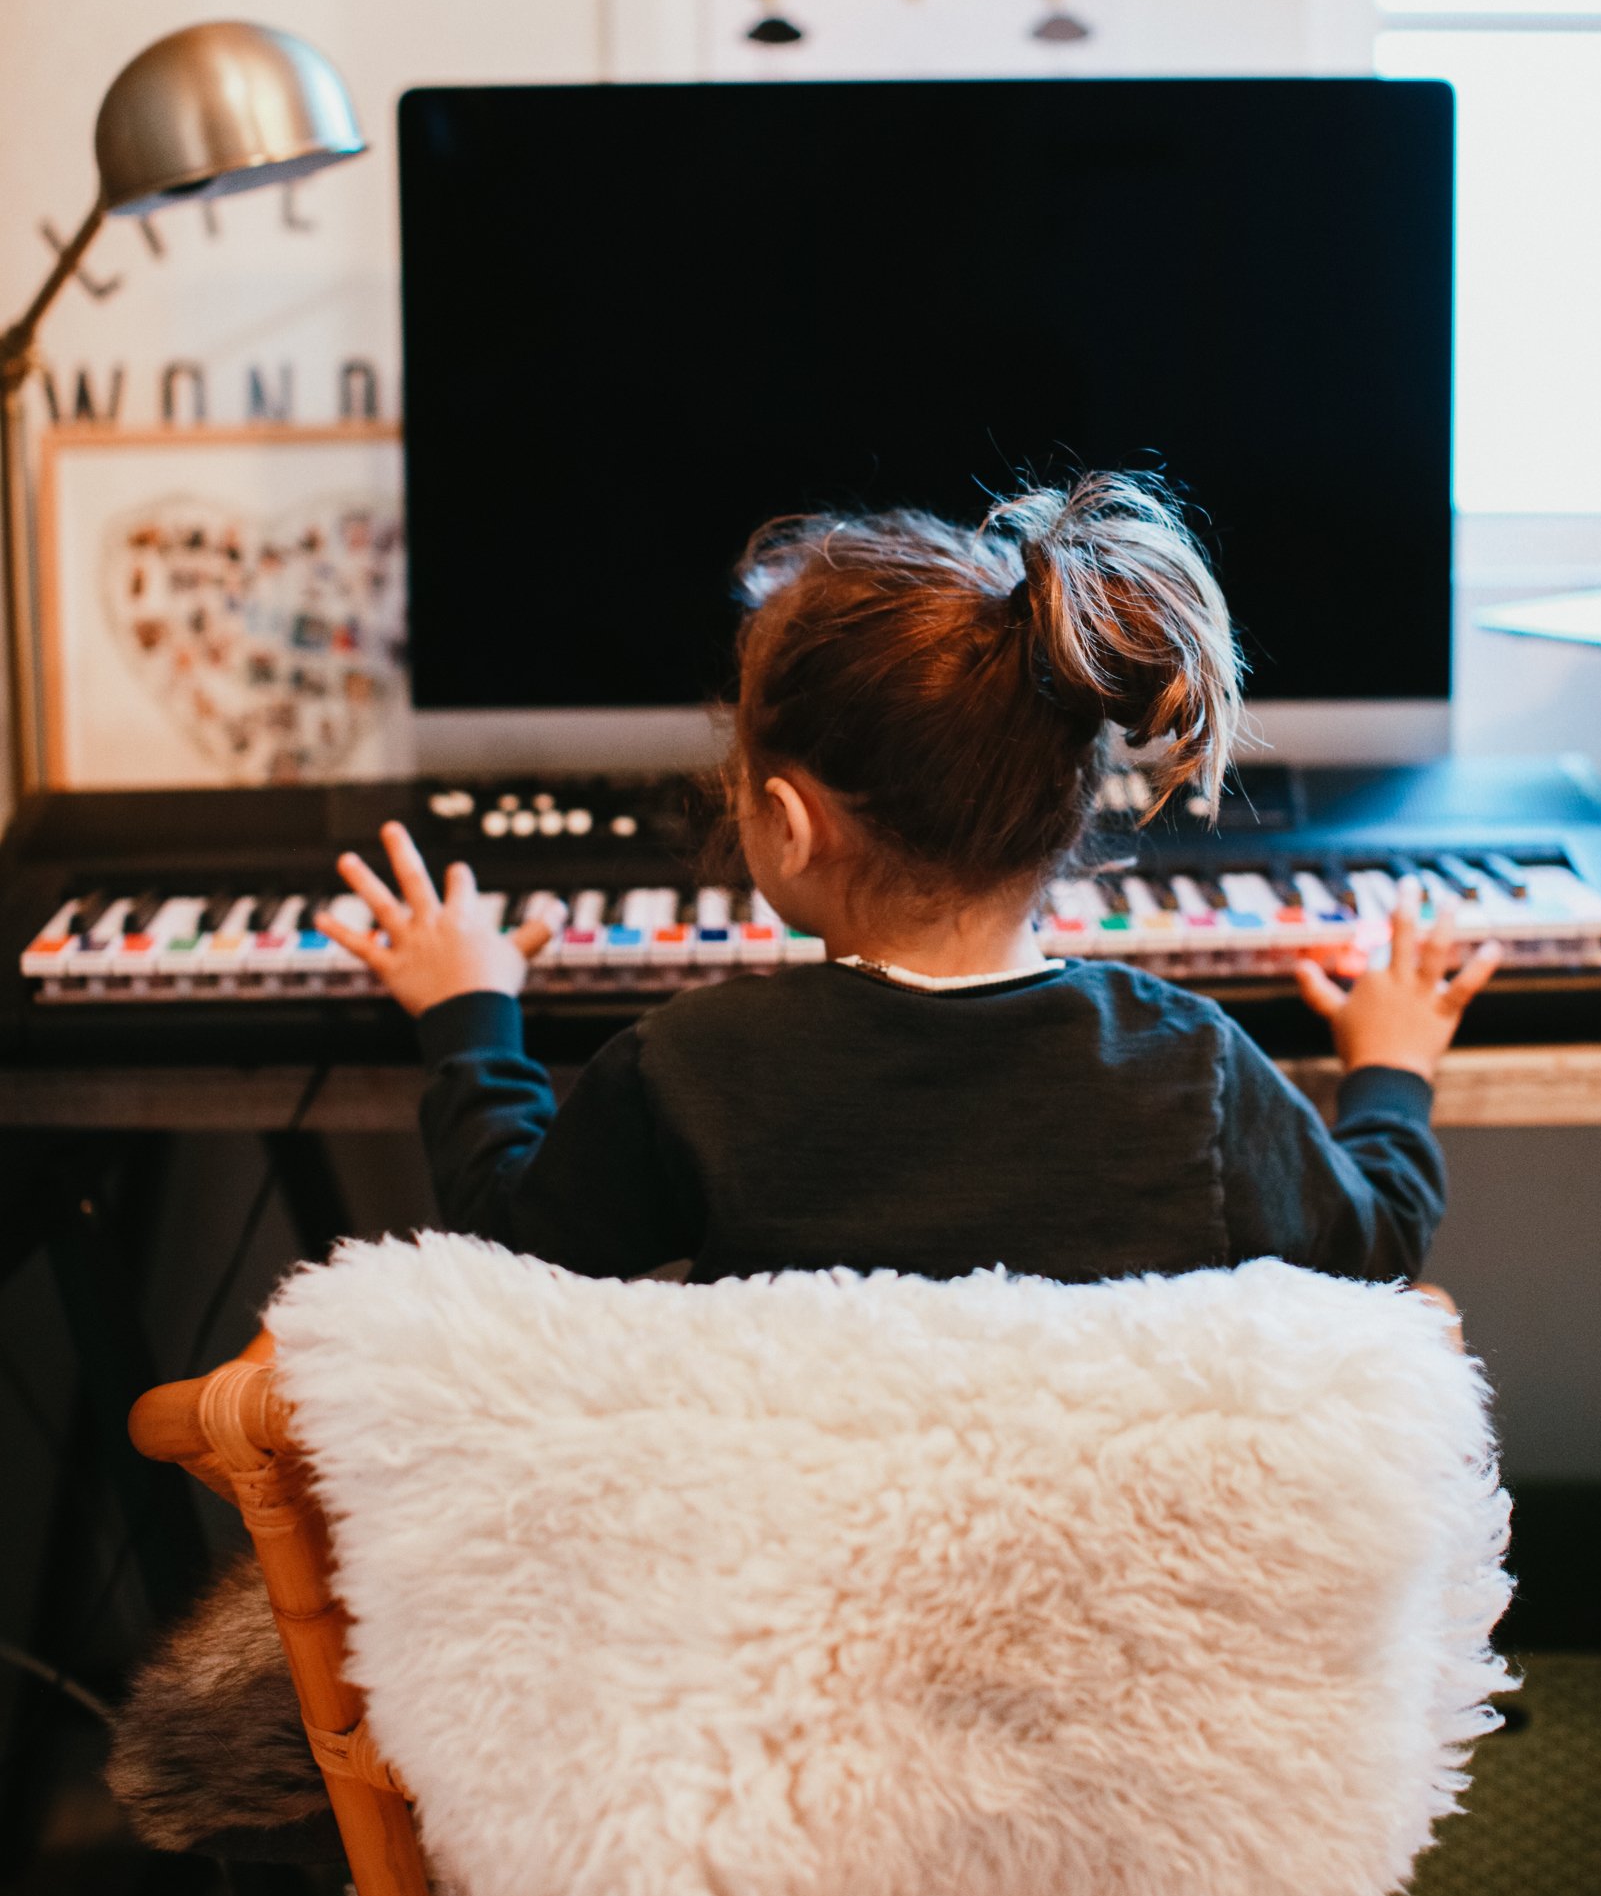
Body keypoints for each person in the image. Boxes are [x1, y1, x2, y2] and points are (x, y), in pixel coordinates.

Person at [320, 475, 1499, 1287]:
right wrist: (1389, 1069)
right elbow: (1373, 1242)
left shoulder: (689, 1068)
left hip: (801, 1614)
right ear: (1058, 813)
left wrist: (469, 1014)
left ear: (785, 822)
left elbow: (508, 1252)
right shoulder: (1191, 1067)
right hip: (1094, 1611)